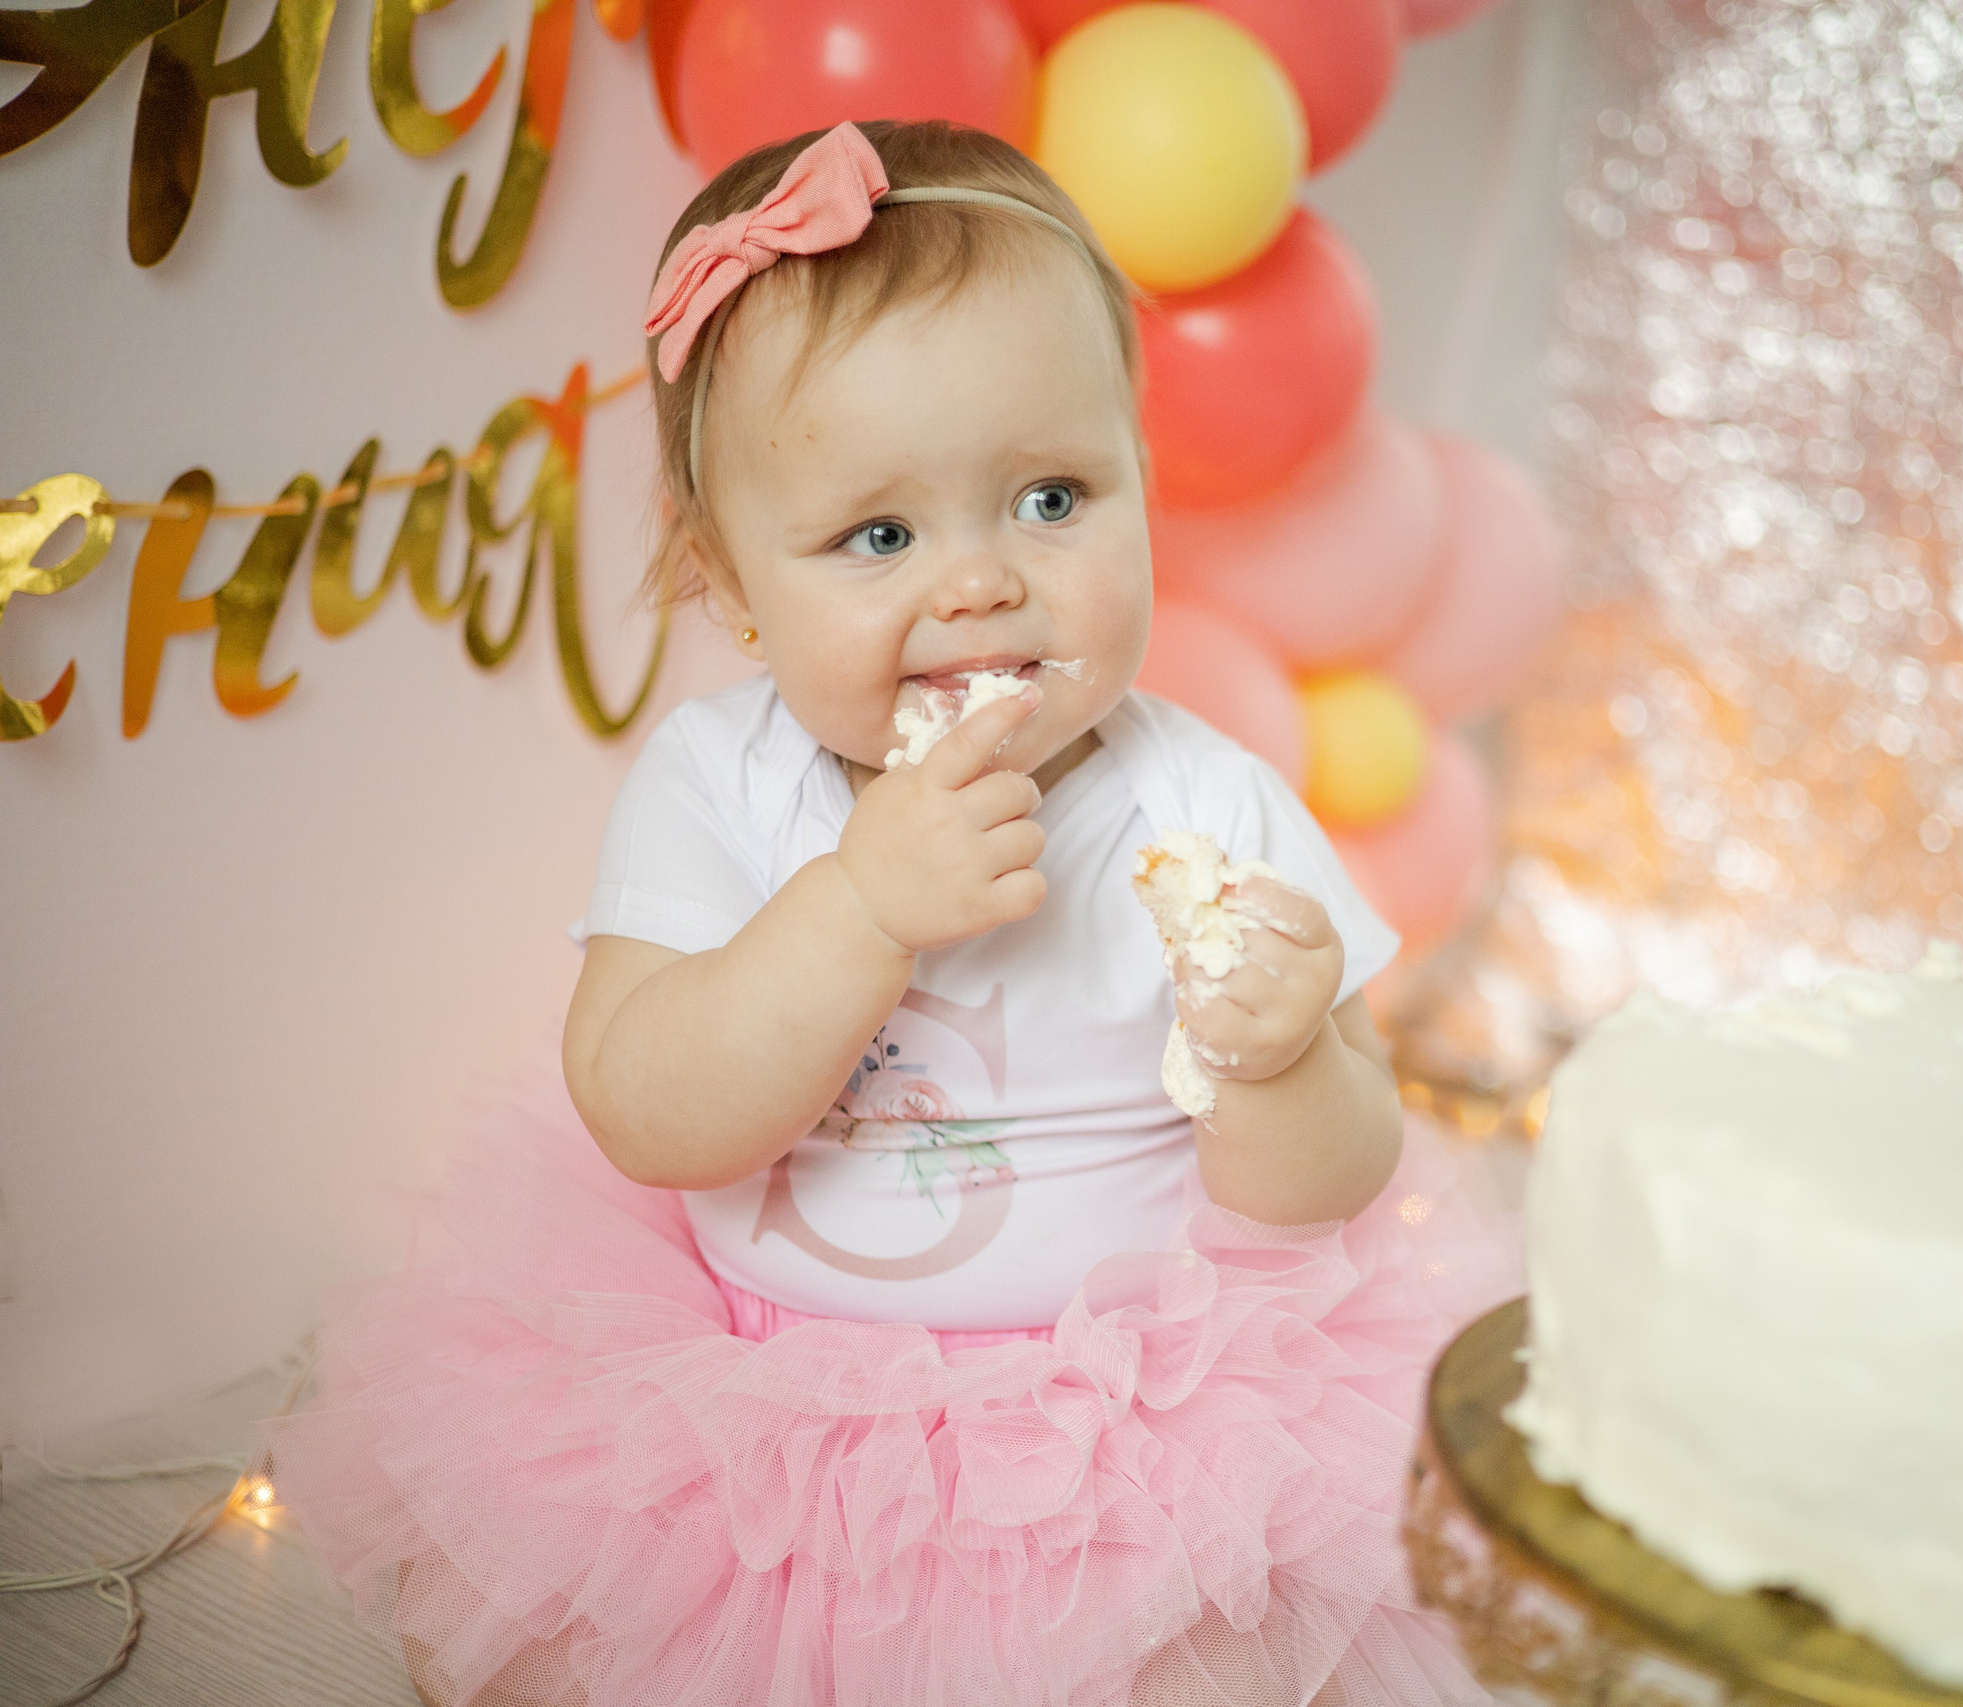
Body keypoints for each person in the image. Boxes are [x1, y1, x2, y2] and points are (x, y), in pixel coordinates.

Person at [267, 119, 1509, 1707]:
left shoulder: (1209, 801)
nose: (981, 581)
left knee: (1210, 1675)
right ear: (727, 585)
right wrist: (859, 904)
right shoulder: (722, 787)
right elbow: (653, 1113)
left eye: (1053, 498)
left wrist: (1278, 1067)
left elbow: (1326, 1195)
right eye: (880, 535)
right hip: (765, 1411)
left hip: (1134, 1438)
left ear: (1143, 477)